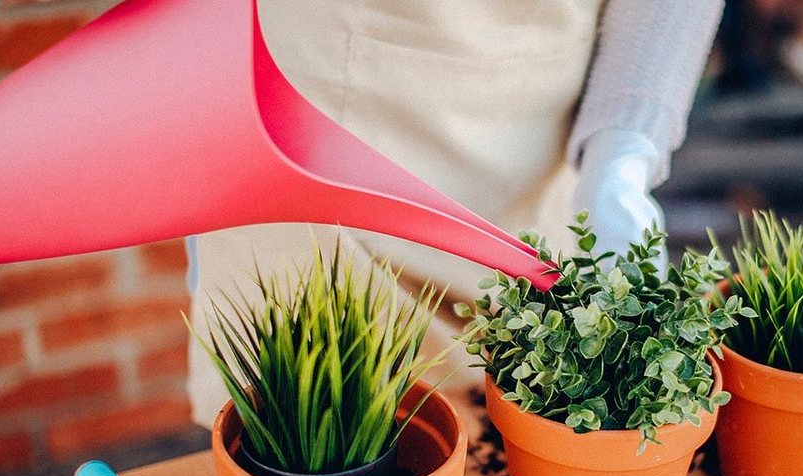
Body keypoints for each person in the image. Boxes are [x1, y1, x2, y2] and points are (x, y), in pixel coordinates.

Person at [187, 0, 725, 427]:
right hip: (317, 118)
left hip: (534, 148)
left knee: (509, 437)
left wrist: (622, 151)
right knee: (294, 431)